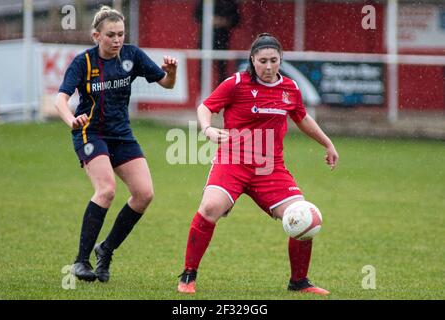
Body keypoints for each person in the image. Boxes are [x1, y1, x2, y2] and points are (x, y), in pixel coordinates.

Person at [177, 33, 339, 295]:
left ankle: (299, 282)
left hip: (269, 168)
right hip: (233, 161)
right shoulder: (236, 84)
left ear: (280, 60)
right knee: (210, 208)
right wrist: (207, 129)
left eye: (273, 60)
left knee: (304, 214)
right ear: (252, 60)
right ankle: (188, 275)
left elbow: (302, 118)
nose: (267, 66)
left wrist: (327, 143)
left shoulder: (290, 88)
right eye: (262, 60)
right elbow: (205, 107)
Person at [56, 5, 177, 283]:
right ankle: (81, 261)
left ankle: (106, 249)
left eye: (121, 34)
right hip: (90, 133)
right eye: (110, 35)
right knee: (107, 189)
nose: (117, 40)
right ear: (96, 36)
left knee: (144, 194)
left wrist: (170, 73)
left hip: (121, 134)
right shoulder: (83, 62)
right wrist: (70, 119)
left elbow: (167, 85)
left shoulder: (132, 55)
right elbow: (60, 98)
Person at [194, 0, 240, 85]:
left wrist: (224, 21)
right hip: (205, 40)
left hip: (223, 40)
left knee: (222, 70)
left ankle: (221, 93)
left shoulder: (230, 3)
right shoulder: (204, 2)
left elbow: (236, 19)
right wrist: (208, 20)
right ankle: (202, 93)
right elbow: (196, 15)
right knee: (203, 68)